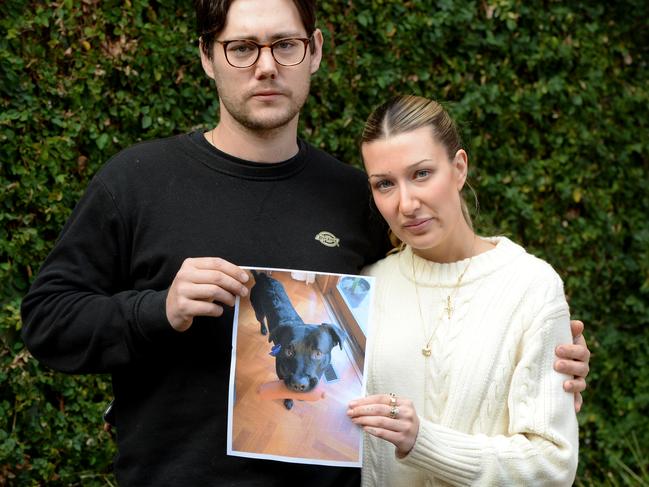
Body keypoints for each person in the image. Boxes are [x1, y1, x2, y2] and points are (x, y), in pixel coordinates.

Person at [20, 1, 588, 485]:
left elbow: (427, 304)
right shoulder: (136, 182)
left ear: (314, 51)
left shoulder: (357, 196)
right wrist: (158, 308)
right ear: (207, 56)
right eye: (242, 47)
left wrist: (539, 358)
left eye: (284, 45)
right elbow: (46, 322)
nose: (266, 66)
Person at [347, 95, 580, 486]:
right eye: (385, 184)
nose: (406, 203)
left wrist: (424, 441)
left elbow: (553, 465)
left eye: (421, 174)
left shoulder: (531, 286)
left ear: (458, 168)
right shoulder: (365, 286)